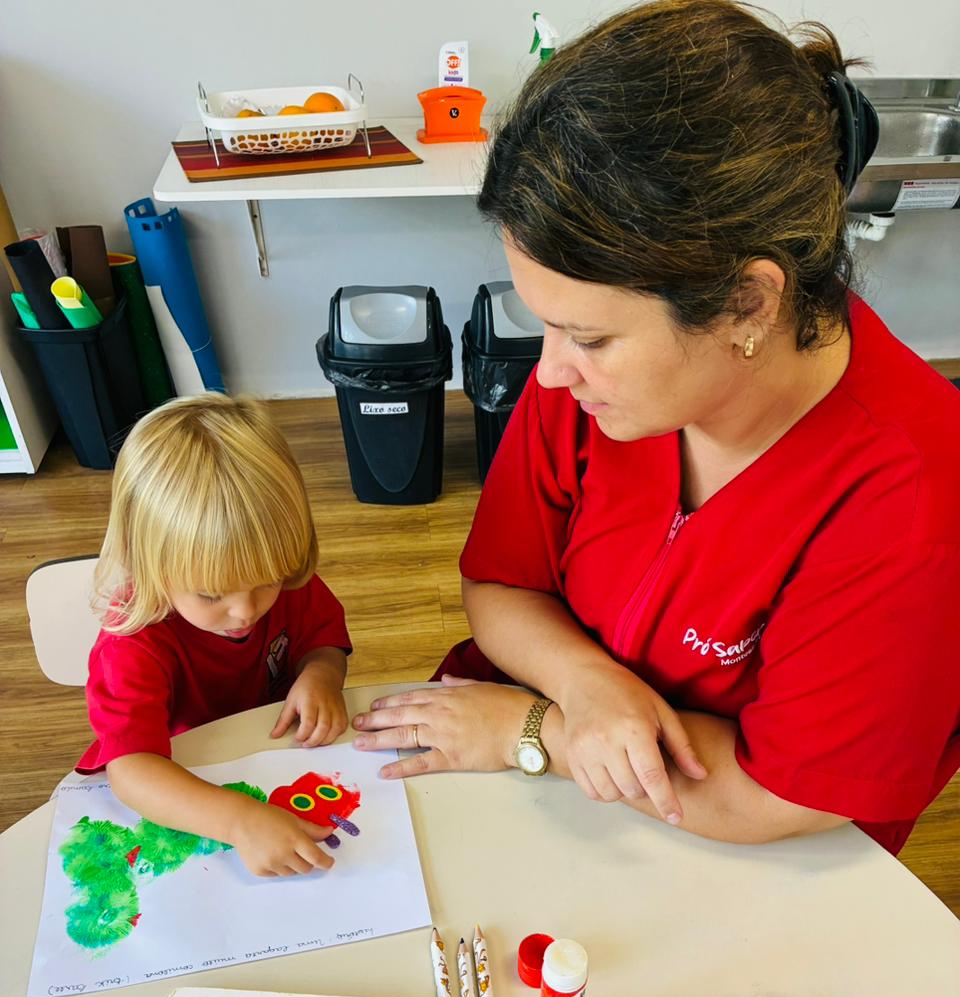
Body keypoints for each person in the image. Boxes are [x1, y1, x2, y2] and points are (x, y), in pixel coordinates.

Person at [353, 0, 960, 853]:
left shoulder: (914, 498)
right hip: (552, 777)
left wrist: (538, 732)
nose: (551, 372)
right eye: (549, 326)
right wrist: (587, 683)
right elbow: (502, 583)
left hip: (733, 850)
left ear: (748, 302)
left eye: (591, 337)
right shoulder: (593, 392)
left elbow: (779, 796)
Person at [78, 394, 351, 877]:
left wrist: (322, 672)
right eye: (210, 594)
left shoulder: (282, 580)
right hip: (188, 785)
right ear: (151, 567)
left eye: (266, 579)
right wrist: (240, 822)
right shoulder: (132, 643)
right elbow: (132, 770)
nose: (245, 610)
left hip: (272, 756)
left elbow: (322, 637)